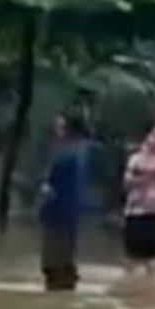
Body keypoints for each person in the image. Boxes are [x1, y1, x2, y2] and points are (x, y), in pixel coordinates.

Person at [39, 113, 92, 291]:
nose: (56, 129)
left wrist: (47, 190)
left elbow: (55, 182)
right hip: (68, 209)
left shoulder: (66, 152)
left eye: (60, 126)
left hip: (59, 207)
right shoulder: (76, 150)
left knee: (56, 250)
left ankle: (59, 278)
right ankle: (63, 277)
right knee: (63, 248)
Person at [122, 107, 155, 274]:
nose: (154, 139)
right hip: (139, 210)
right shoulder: (137, 158)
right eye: (152, 136)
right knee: (136, 259)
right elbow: (128, 180)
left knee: (154, 261)